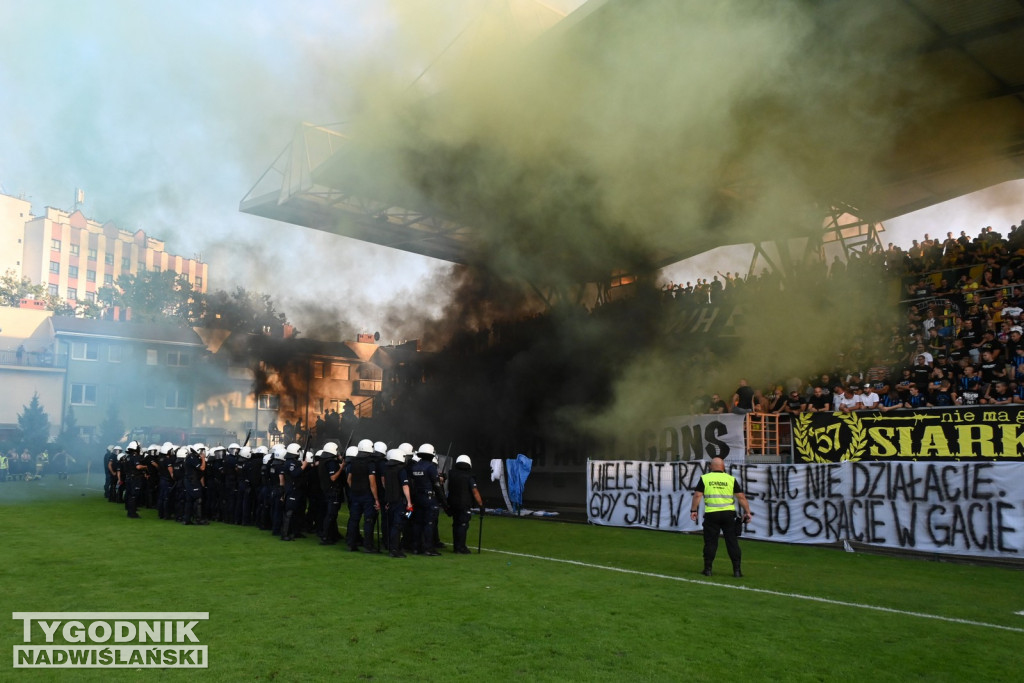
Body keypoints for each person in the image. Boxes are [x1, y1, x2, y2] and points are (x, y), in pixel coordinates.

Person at [690, 457, 752, 577]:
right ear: (723, 467)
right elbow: (741, 497)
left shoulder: (705, 478)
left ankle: (708, 569)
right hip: (728, 515)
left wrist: (693, 510)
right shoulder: (731, 479)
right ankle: (737, 571)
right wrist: (747, 512)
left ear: (710, 467)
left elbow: (697, 495)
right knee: (732, 542)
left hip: (711, 514)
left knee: (710, 542)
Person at [447, 454, 484, 555]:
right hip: (464, 504)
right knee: (463, 525)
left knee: (456, 525)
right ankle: (461, 547)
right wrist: (481, 505)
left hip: (453, 503)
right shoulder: (469, 476)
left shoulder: (452, 474)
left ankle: (456, 546)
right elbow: (475, 491)